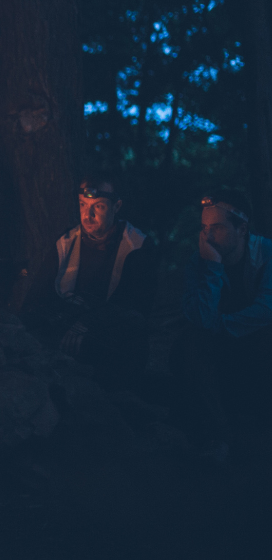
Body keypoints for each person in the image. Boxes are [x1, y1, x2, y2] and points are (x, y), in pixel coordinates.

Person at [23, 172, 158, 390]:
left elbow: (137, 307)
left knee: (131, 327)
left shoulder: (137, 247)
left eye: (99, 207)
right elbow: (36, 296)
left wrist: (88, 324)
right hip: (67, 329)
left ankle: (119, 398)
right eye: (83, 205)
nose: (88, 215)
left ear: (116, 206)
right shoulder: (67, 243)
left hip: (109, 334)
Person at [175, 189, 272, 458]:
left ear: (242, 229)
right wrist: (214, 268)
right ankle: (219, 433)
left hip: (255, 342)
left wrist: (221, 325)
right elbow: (198, 318)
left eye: (216, 227)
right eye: (204, 227)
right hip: (218, 344)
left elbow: (266, 309)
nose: (207, 236)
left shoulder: (266, 254)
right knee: (188, 344)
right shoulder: (200, 261)